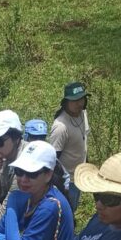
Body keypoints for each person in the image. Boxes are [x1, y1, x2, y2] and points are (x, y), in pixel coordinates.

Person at [0, 141, 74, 240]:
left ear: (48, 175)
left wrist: (12, 204)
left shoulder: (50, 207)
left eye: (32, 174)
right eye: (19, 172)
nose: (23, 179)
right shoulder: (27, 196)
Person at [49, 82, 90, 211]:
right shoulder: (60, 127)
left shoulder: (82, 113)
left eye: (81, 99)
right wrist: (61, 186)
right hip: (67, 182)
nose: (79, 104)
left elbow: (83, 140)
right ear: (66, 102)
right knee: (65, 213)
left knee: (73, 209)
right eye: (75, 101)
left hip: (78, 177)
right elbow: (53, 160)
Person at [24, 118, 71, 198]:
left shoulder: (49, 157)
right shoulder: (20, 156)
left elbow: (66, 177)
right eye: (34, 137)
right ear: (26, 137)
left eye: (41, 137)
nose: (38, 141)